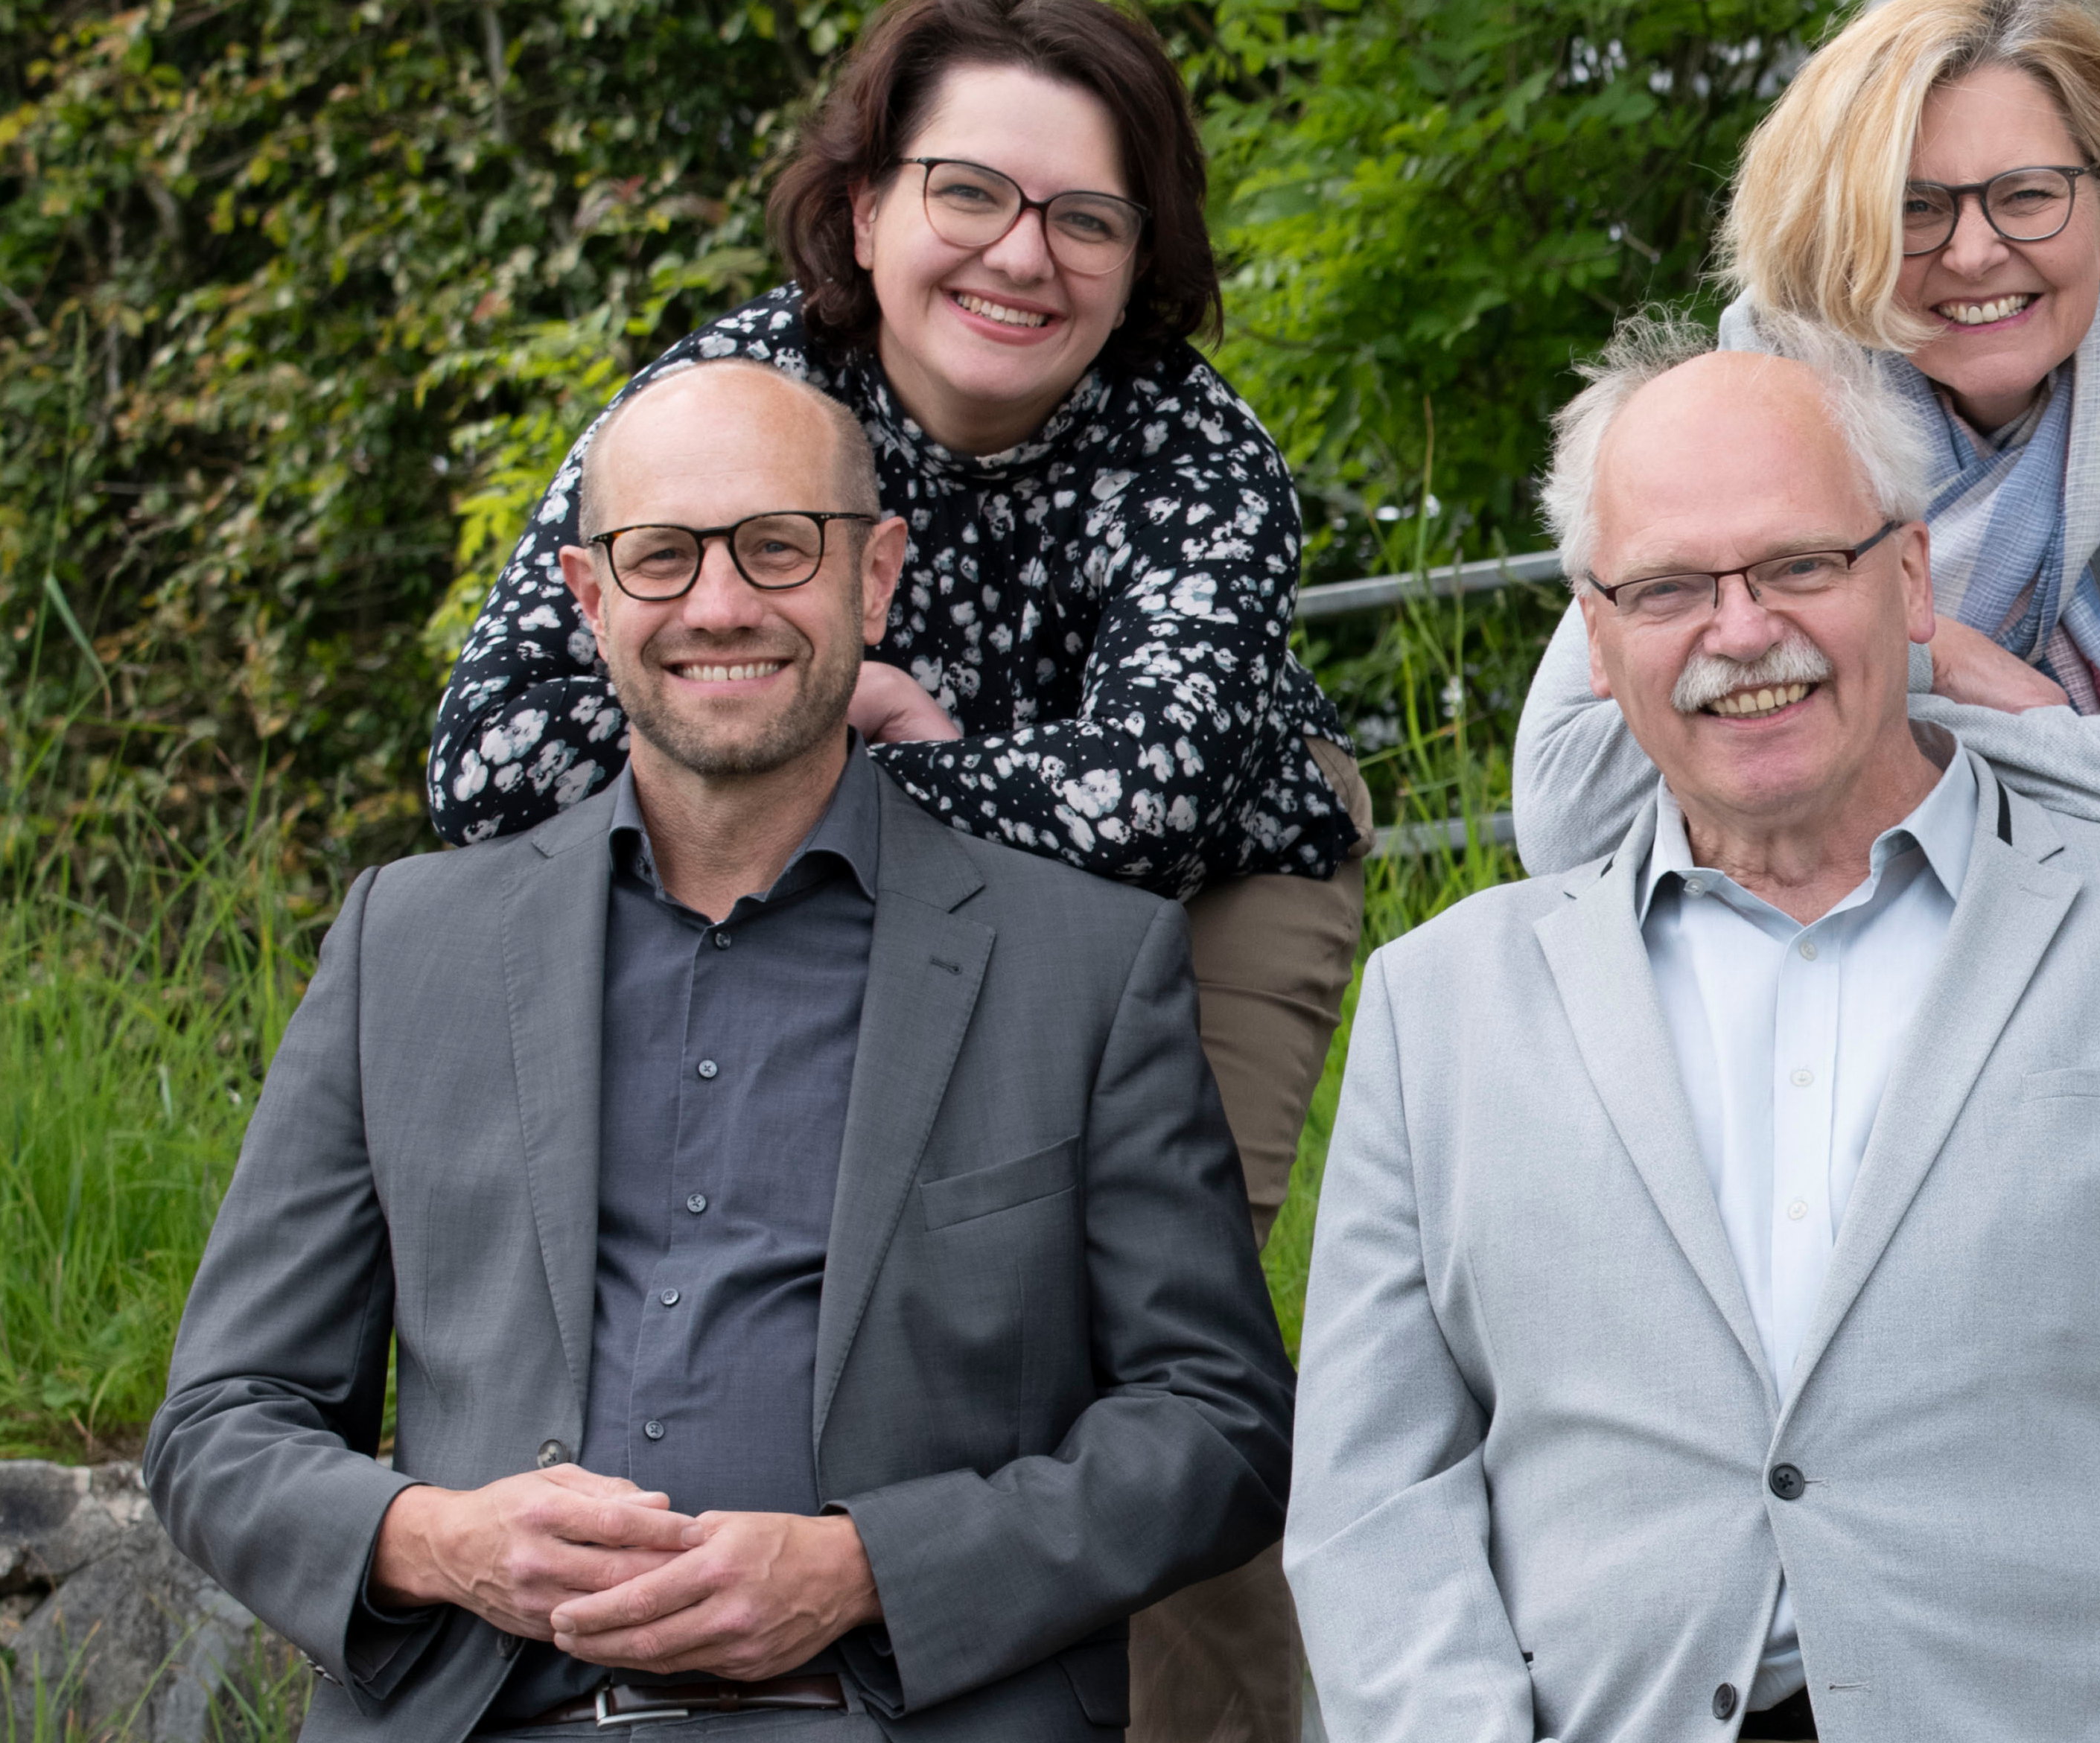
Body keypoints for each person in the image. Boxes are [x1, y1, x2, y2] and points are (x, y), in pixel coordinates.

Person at [1288, 319, 2100, 1742]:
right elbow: (1372, 1504)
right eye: (1668, 587)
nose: (1739, 631)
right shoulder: (1437, 1009)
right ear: (1595, 638)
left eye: (1798, 564)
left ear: (1908, 579)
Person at [421, 3, 1346, 1732]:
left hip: (1203, 891)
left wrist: (865, 753)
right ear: (863, 210)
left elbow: (1145, 800)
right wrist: (851, 759)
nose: (1024, 254)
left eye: (1087, 216)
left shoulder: (1198, 454)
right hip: (819, 853)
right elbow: (487, 760)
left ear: (1142, 254)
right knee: (866, 1294)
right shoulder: (730, 401)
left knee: (1143, 1338)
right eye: (968, 193)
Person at [144, 361, 1294, 1741]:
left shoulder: (1085, 962)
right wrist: (440, 1539)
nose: (720, 603)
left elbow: (1216, 1421)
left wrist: (869, 1569)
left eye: (777, 546)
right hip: (489, 1717)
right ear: (589, 598)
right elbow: (223, 1421)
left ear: (875, 578)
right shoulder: (409, 943)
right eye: (662, 556)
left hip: (889, 1715)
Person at [1510, 0, 2100, 1114]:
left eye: (2027, 195)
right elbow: (1565, 805)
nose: (1972, 251)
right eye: (1913, 207)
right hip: (2001, 829)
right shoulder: (1779, 376)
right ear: (1848, 232)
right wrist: (1935, 661)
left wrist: (1884, 709)